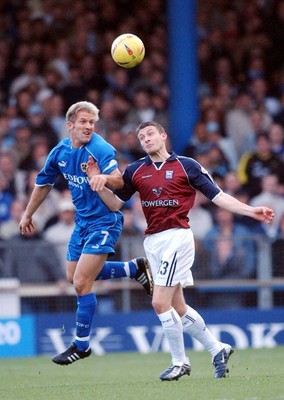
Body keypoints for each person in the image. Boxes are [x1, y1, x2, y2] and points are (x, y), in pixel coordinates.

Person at [87, 121, 274, 381]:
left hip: (177, 237)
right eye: (141, 137)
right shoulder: (134, 170)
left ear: (163, 136)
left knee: (159, 302)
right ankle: (217, 348)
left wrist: (250, 210)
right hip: (153, 241)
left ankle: (180, 362)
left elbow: (218, 196)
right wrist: (96, 183)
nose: (146, 139)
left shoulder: (187, 166)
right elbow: (116, 204)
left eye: (150, 133)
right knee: (178, 306)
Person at [19, 101, 153, 366]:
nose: (88, 126)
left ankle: (81, 345)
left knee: (82, 282)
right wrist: (27, 213)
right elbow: (43, 183)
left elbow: (120, 179)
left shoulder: (100, 148)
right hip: (82, 223)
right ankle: (133, 269)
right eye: (83, 122)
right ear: (70, 125)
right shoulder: (60, 151)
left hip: (104, 221)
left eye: (92, 122)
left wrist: (103, 177)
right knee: (73, 276)